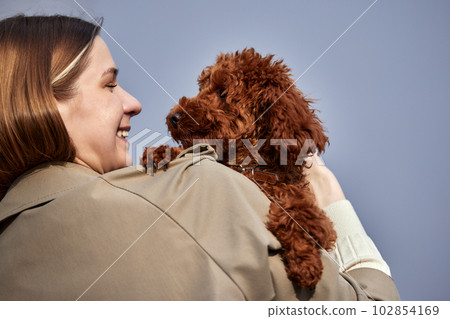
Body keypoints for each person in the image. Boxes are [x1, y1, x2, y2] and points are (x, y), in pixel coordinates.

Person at [0, 15, 400, 301]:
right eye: (111, 85)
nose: (135, 103)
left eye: (221, 94)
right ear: (45, 103)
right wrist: (334, 203)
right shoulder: (200, 189)